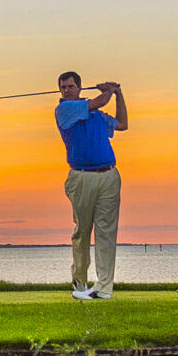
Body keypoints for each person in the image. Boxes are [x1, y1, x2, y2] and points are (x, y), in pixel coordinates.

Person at [55, 70, 127, 299]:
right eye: (63, 87)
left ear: (79, 87)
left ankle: (104, 289)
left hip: (108, 174)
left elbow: (123, 124)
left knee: (106, 232)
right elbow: (99, 101)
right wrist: (108, 90)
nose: (67, 90)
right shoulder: (64, 109)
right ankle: (79, 283)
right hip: (81, 176)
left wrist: (119, 93)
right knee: (82, 232)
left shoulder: (96, 114)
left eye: (70, 86)